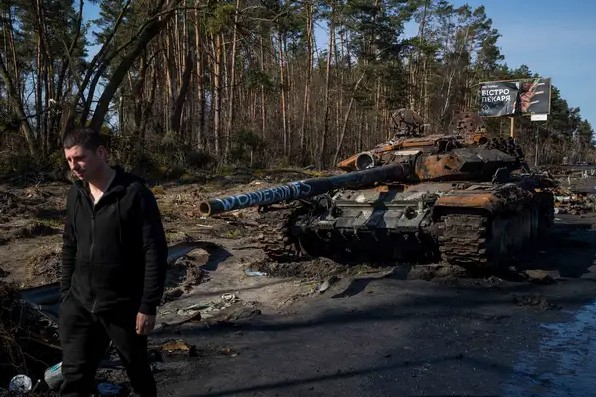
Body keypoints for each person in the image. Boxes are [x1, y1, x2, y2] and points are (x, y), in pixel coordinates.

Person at [59, 127, 167, 396]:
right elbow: (69, 246)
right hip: (80, 305)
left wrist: (148, 305)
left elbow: (154, 250)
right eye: (69, 160)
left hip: (122, 305)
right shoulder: (76, 195)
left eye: (80, 158)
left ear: (101, 153)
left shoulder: (134, 193)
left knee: (138, 373)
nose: (75, 166)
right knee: (74, 377)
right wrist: (66, 296)